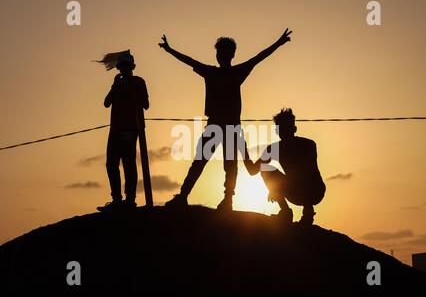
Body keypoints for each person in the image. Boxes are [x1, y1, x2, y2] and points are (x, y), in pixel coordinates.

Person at [159, 29, 292, 211]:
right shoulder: (215, 72)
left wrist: (278, 43)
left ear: (230, 55)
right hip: (216, 125)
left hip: (229, 127)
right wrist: (169, 49)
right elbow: (189, 60)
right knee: (203, 162)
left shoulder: (233, 72)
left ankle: (226, 200)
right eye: (219, 52)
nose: (220, 55)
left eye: (222, 52)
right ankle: (185, 196)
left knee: (227, 165)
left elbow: (259, 57)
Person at [243, 108, 326, 225]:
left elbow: (307, 173)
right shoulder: (275, 148)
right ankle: (286, 211)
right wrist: (243, 150)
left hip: (314, 190)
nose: (284, 132)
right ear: (277, 131)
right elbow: (253, 170)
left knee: (305, 179)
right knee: (266, 169)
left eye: (286, 128)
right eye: (281, 129)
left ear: (294, 129)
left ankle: (307, 212)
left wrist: (276, 187)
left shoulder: (308, 145)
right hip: (296, 191)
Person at [96, 50, 150, 212]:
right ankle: (117, 200)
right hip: (115, 129)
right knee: (111, 164)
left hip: (130, 128)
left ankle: (130, 200)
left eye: (126, 66)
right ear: (119, 68)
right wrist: (115, 85)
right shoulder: (117, 84)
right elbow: (106, 103)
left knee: (128, 163)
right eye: (121, 67)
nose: (124, 69)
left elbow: (146, 104)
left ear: (132, 67)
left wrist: (130, 94)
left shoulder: (139, 82)